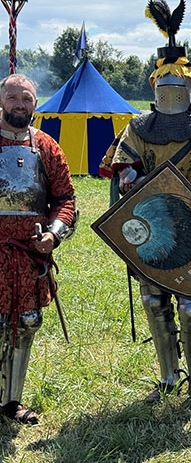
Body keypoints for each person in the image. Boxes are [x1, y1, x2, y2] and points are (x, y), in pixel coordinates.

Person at [104, 0, 191, 414]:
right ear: (155, 89)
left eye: (179, 87)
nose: (172, 93)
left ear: (190, 89)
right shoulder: (138, 129)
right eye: (166, 87)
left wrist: (186, 192)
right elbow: (123, 174)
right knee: (154, 301)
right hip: (151, 226)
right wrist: (136, 182)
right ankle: (167, 374)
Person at [0, 74, 75, 424]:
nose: (19, 104)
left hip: (29, 258)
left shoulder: (47, 146)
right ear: (2, 100)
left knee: (26, 323)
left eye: (26, 98)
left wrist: (54, 235)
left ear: (35, 102)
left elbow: (65, 200)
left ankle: (11, 401)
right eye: (13, 97)